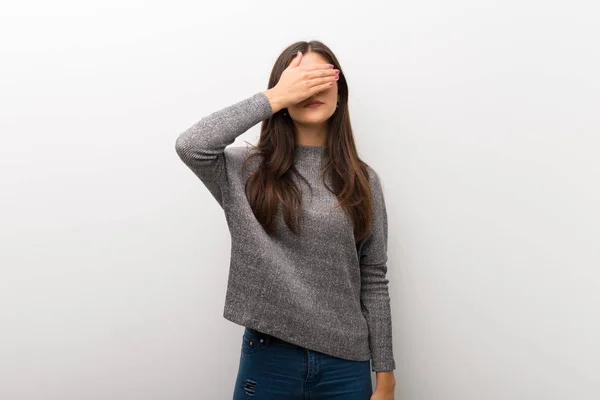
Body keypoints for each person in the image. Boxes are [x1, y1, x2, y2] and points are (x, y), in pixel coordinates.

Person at [175, 40, 396, 399]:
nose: (310, 88)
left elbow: (373, 276)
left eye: (322, 77)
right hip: (269, 358)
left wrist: (385, 375)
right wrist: (273, 98)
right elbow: (191, 145)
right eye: (299, 79)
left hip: (347, 365)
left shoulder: (363, 180)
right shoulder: (245, 171)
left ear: (340, 92)